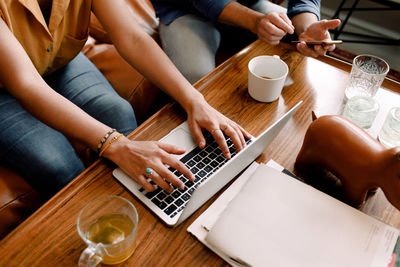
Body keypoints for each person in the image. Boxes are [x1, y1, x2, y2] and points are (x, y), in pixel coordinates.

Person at [0, 0, 251, 199]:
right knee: (56, 163)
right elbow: (26, 84)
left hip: (57, 60)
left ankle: (139, 205)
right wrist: (117, 145)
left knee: (118, 112)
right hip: (6, 88)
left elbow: (131, 36)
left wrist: (195, 101)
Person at [151, 0, 341, 83]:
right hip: (186, 10)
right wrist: (256, 22)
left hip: (249, 4)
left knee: (295, 43)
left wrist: (307, 28)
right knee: (197, 78)